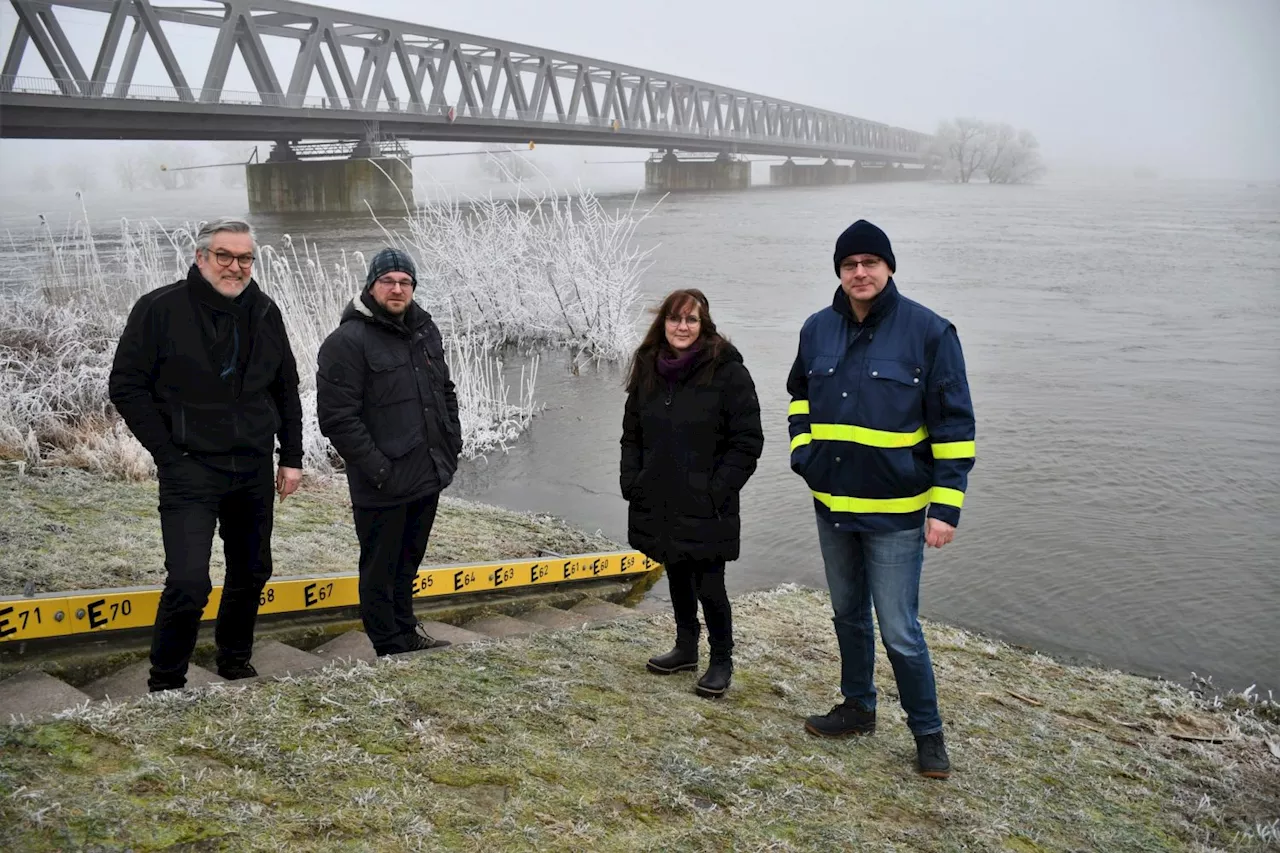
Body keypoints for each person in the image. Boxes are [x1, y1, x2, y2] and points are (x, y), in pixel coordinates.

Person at [787, 220, 976, 779]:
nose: (860, 272)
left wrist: (945, 507)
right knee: (847, 613)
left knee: (898, 627)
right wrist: (805, 454)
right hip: (833, 504)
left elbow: (955, 426)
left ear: (889, 267)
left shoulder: (930, 332)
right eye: (850, 264)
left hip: (896, 512)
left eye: (871, 262)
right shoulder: (816, 329)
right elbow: (799, 396)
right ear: (839, 273)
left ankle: (928, 733)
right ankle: (857, 706)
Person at [108, 218, 304, 692]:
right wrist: (167, 452)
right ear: (200, 257)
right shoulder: (160, 308)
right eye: (224, 256)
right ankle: (166, 680)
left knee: (253, 569)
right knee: (190, 582)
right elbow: (126, 386)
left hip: (252, 463)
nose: (235, 267)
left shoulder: (264, 310)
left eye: (244, 258)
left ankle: (234, 660)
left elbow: (286, 387)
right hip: (190, 466)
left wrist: (291, 456)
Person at [316, 248, 461, 656]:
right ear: (371, 286)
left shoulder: (425, 331)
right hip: (382, 482)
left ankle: (407, 631)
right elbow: (338, 419)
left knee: (408, 562)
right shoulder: (347, 342)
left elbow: (443, 391)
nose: (397, 289)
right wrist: (379, 470)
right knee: (380, 569)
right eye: (388, 281)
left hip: (426, 473)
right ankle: (389, 646)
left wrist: (452, 444)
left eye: (405, 282)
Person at [620, 289, 764, 698]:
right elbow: (632, 435)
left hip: (707, 503)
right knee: (677, 572)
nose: (682, 327)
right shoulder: (648, 368)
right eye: (675, 318)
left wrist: (716, 491)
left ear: (704, 325)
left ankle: (721, 660)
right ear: (662, 323)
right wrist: (632, 480)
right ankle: (685, 648)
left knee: (710, 584)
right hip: (659, 496)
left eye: (691, 319)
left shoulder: (727, 372)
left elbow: (747, 441)